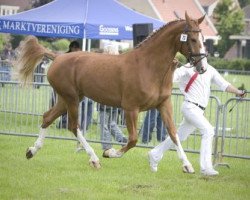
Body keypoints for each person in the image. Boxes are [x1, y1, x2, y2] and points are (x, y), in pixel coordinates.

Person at [148, 59, 247, 176]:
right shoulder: (187, 68)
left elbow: (223, 84)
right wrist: (173, 68)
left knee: (179, 136)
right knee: (208, 130)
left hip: (199, 110)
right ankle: (206, 168)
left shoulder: (210, 69)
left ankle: (155, 154)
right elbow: (171, 78)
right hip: (190, 107)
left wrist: (238, 91)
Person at [52, 40, 93, 132]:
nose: (78, 50)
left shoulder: (81, 57)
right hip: (69, 86)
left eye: (79, 49)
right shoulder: (66, 58)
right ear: (72, 48)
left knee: (85, 106)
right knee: (66, 105)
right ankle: (66, 123)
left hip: (80, 87)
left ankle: (82, 126)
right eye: (76, 48)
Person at [99, 43, 128, 157]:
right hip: (116, 99)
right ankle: (123, 140)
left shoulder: (106, 65)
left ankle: (107, 146)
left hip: (106, 98)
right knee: (112, 123)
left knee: (104, 124)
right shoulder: (121, 63)